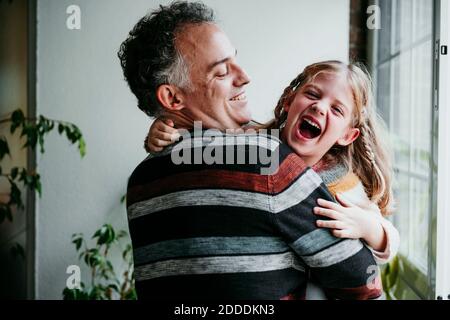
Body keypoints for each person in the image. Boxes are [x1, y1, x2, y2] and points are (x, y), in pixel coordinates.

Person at [119, 1, 383, 299]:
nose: (244, 77)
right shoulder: (266, 160)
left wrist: (375, 228)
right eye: (221, 72)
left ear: (348, 135)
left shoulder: (140, 182)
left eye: (236, 61)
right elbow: (364, 282)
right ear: (171, 97)